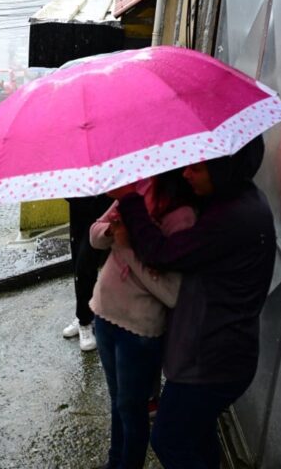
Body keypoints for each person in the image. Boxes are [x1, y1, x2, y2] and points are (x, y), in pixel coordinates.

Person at [115, 137, 274, 469]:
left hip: (212, 362)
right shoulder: (238, 199)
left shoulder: (234, 218)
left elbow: (162, 253)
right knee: (196, 432)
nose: (186, 174)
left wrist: (130, 200)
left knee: (169, 438)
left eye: (197, 167)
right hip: (224, 354)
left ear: (223, 168)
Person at [91, 171, 196, 469]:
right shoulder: (139, 189)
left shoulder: (181, 216)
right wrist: (110, 233)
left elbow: (172, 292)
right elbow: (94, 233)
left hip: (138, 331)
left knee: (131, 408)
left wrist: (125, 246)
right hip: (104, 314)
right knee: (117, 401)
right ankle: (116, 461)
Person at [62, 196, 113, 351]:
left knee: (86, 261)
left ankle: (86, 320)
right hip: (79, 203)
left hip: (104, 205)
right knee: (78, 261)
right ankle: (84, 317)